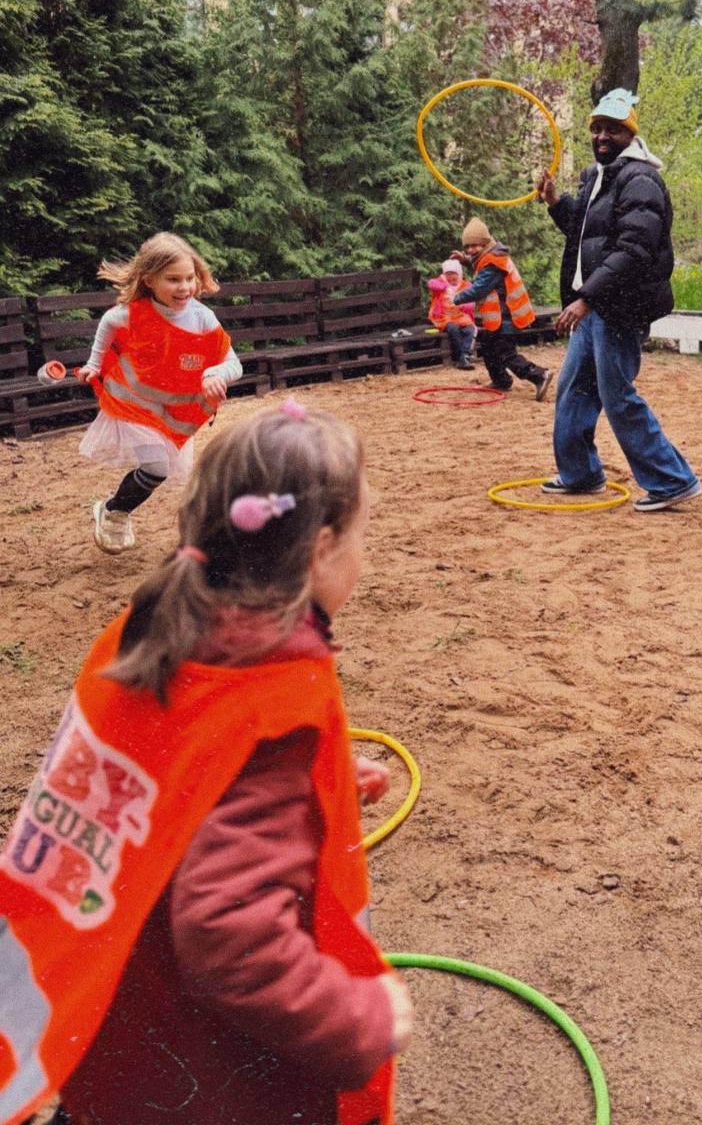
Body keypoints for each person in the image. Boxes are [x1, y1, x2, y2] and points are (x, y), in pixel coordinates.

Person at [0, 400, 412, 1125]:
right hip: (196, 1066)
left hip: (110, 1002)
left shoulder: (163, 629)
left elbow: (185, 760)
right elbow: (230, 938)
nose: (362, 558)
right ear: (318, 550)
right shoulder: (266, 697)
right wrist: (362, 1021)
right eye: (359, 540)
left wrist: (318, 783)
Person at [535, 87, 701, 511]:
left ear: (630, 135)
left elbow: (633, 248)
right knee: (573, 390)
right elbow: (588, 231)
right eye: (597, 129)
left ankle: (672, 480)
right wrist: (556, 202)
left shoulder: (640, 178)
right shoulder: (598, 176)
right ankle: (581, 474)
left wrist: (586, 298)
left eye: (613, 130)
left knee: (617, 395)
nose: (602, 137)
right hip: (596, 304)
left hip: (621, 306)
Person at [77, 232, 243, 555]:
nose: (185, 287)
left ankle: (112, 510)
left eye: (190, 278)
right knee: (157, 469)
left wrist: (215, 372)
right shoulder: (134, 313)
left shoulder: (202, 318)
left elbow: (234, 363)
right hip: (132, 405)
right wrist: (94, 363)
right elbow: (109, 321)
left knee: (158, 470)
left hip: (172, 413)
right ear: (149, 280)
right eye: (173, 279)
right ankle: (114, 513)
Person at [450, 217, 554, 401]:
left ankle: (539, 375)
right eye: (468, 246)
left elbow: (480, 288)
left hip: (506, 316)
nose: (471, 250)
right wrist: (466, 260)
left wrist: (456, 299)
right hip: (498, 317)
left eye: (475, 246)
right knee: (488, 347)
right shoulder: (491, 255)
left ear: (486, 243)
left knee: (506, 353)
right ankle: (501, 381)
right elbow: (480, 264)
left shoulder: (493, 262)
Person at [427, 257, 477, 370]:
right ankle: (460, 356)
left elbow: (472, 303)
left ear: (459, 275)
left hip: (459, 315)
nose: (451, 280)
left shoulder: (466, 285)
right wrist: (444, 284)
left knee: (470, 329)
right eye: (448, 276)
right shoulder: (440, 283)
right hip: (443, 317)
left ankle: (465, 355)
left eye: (454, 277)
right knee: (453, 329)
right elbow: (431, 283)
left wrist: (464, 305)